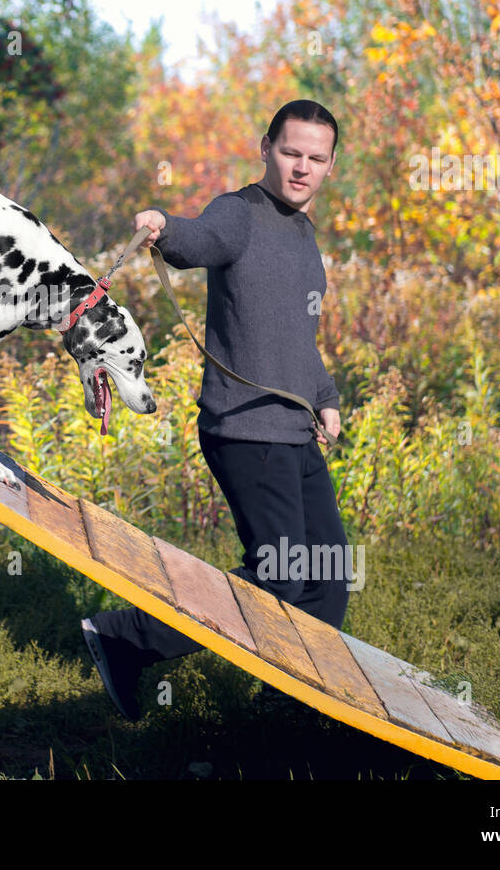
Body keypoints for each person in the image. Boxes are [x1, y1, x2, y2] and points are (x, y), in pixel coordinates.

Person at [81, 99, 348, 721]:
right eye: (290, 153)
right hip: (245, 431)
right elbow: (202, 237)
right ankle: (125, 638)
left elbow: (294, 338)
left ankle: (281, 710)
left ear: (331, 165)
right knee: (281, 576)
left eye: (315, 158)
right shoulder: (242, 214)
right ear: (265, 148)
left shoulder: (305, 237)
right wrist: (165, 227)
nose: (301, 168)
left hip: (294, 431)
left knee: (327, 583)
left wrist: (327, 399)